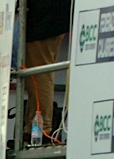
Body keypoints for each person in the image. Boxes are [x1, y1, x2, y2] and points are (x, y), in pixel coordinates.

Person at [23, 0, 72, 144]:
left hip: (43, 21)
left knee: (39, 74)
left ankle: (43, 128)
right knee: (36, 74)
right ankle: (32, 127)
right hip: (49, 19)